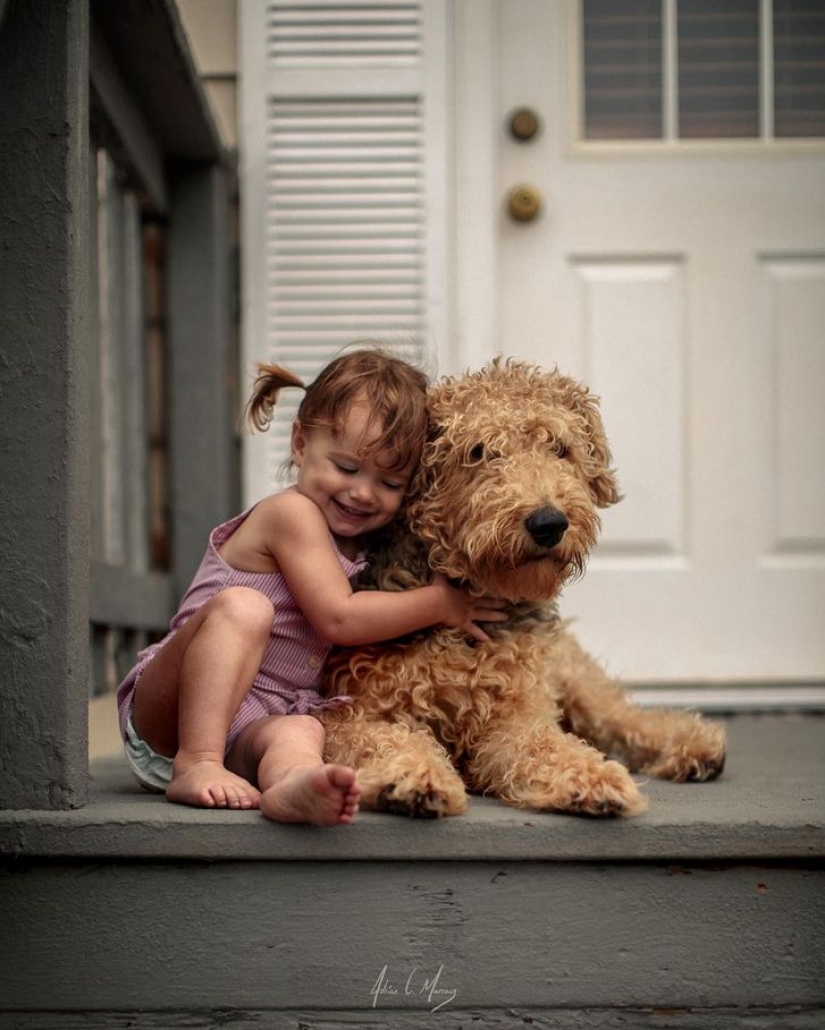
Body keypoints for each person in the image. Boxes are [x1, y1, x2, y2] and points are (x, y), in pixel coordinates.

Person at [116, 348, 507, 826]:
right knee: (245, 609)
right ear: (300, 443)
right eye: (346, 468)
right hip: (172, 709)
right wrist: (443, 602)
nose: (363, 491)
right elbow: (338, 617)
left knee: (300, 730)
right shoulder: (291, 514)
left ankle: (291, 785)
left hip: (249, 720)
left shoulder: (360, 545)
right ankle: (195, 763)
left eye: (390, 482)